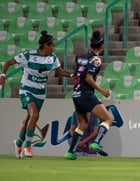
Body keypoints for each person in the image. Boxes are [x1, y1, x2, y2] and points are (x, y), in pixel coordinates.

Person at [0, 30, 75, 158]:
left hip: (40, 93)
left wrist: (72, 75)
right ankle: (28, 146)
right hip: (27, 90)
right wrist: (2, 75)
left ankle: (18, 142)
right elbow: (8, 62)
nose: (54, 48)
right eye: (52, 45)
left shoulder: (53, 58)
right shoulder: (29, 55)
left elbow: (60, 72)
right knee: (35, 114)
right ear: (45, 46)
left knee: (30, 118)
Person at [64, 31, 113, 160]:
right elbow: (89, 78)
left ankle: (70, 152)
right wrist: (102, 91)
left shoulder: (81, 57)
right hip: (86, 94)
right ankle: (96, 142)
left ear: (91, 45)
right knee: (108, 119)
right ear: (102, 45)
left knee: (83, 125)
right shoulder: (96, 60)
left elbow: (75, 77)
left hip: (76, 94)